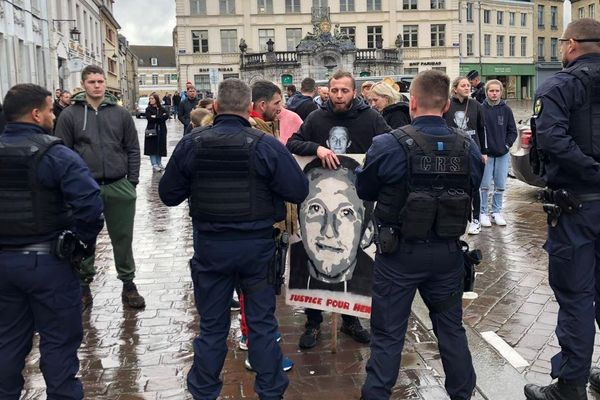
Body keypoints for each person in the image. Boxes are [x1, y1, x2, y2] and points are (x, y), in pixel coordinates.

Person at [158, 78, 308, 400]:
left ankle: (204, 392)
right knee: (262, 326)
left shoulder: (193, 143)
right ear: (250, 107)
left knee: (211, 328)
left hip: (212, 248)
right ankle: (270, 392)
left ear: (215, 106)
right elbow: (298, 190)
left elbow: (168, 194)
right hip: (257, 250)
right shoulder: (265, 144)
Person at [357, 69, 483, 400]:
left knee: (387, 334)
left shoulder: (387, 144)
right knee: (451, 330)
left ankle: (377, 394)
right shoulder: (467, 146)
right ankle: (462, 393)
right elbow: (473, 184)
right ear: (445, 106)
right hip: (446, 253)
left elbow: (365, 187)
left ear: (412, 102)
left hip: (399, 253)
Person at [0, 83, 104, 400]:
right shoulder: (55, 154)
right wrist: (80, 245)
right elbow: (90, 206)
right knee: (58, 342)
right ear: (36, 113)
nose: (51, 115)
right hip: (49, 262)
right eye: (48, 109)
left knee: (7, 340)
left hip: (4, 265)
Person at [523, 18, 600, 400]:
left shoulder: (559, 85)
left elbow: (552, 140)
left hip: (578, 207)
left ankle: (570, 385)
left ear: (571, 45)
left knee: (575, 296)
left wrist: (592, 170)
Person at [287, 70, 391, 349]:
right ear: (328, 91)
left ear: (354, 92)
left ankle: (350, 320)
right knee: (313, 264)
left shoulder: (371, 118)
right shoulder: (315, 118)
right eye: (335, 91)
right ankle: (313, 321)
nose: (339, 96)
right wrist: (316, 148)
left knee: (353, 261)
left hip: (355, 201)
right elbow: (293, 143)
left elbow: (389, 143)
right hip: (318, 199)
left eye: (344, 91)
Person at [55, 65, 144, 309]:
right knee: (85, 236)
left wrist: (132, 180)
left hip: (118, 184)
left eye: (101, 81)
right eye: (92, 81)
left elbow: (133, 148)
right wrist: (70, 186)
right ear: (83, 84)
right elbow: (62, 152)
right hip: (85, 187)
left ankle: (128, 283)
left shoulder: (120, 113)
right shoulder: (70, 115)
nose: (97, 85)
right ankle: (83, 285)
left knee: (123, 237)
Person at [289, 156, 374, 296]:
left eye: (346, 212)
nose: (329, 231)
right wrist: (316, 149)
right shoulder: (293, 268)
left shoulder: (373, 279)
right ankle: (313, 315)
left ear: (367, 233)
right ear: (299, 223)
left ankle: (349, 318)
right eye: (316, 209)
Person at [443, 76, 486, 235]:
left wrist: (484, 151)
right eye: (463, 85)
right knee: (454, 185)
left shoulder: (476, 105)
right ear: (455, 89)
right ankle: (456, 216)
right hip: (453, 151)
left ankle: (476, 219)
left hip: (473, 150)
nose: (467, 88)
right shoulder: (447, 106)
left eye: (468, 85)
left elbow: (482, 130)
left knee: (474, 185)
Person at [479, 79, 517, 227]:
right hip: (486, 154)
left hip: (502, 153)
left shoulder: (506, 109)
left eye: (497, 91)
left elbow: (512, 131)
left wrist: (506, 145)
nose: (494, 94)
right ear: (486, 92)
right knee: (484, 184)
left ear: (501, 92)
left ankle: (496, 212)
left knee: (500, 184)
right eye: (491, 91)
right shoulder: (481, 109)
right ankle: (483, 212)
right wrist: (482, 149)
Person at [144, 93, 169, 172]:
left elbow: (166, 116)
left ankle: (159, 163)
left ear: (156, 99)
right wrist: (159, 117)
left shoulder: (161, 108)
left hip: (161, 130)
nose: (150, 100)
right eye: (150, 99)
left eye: (152, 98)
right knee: (152, 147)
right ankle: (154, 164)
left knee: (160, 147)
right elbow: (149, 118)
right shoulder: (148, 109)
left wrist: (156, 116)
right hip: (152, 130)